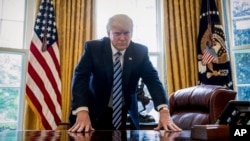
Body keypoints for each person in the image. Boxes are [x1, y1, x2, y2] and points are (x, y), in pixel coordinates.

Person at [68, 14, 182, 132]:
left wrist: (163, 110)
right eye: (117, 33)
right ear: (109, 34)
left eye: (127, 33)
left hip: (123, 113)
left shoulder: (140, 52)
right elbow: (80, 77)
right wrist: (81, 110)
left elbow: (153, 81)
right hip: (92, 112)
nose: (122, 38)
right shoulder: (94, 49)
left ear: (131, 33)